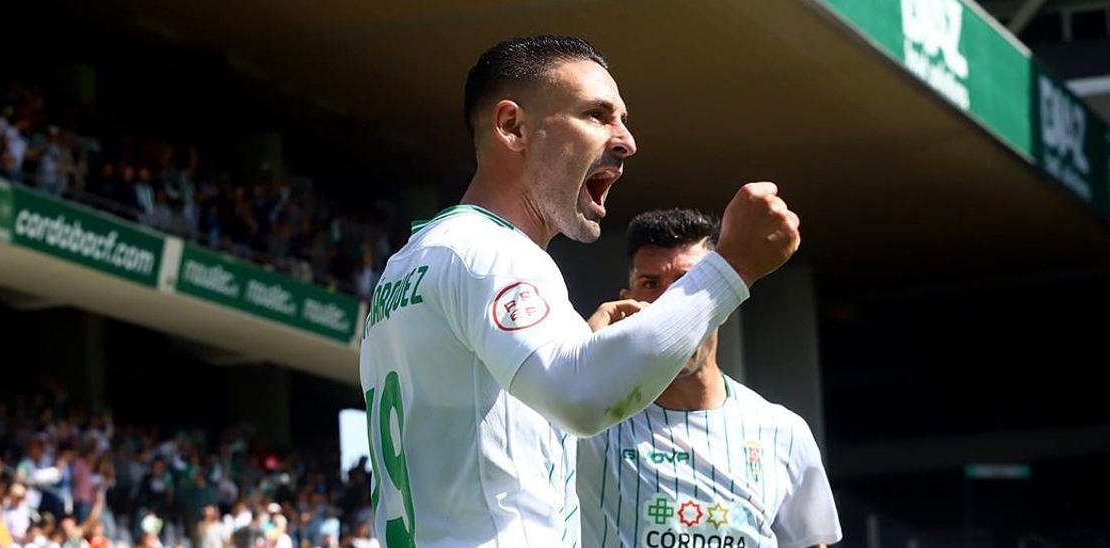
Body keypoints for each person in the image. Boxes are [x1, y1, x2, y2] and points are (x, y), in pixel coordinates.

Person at [359, 35, 801, 546]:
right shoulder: (492, 250)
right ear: (513, 127)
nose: (625, 140)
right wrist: (732, 266)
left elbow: (478, 435)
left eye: (623, 119)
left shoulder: (408, 264)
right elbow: (581, 396)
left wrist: (581, 342)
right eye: (597, 115)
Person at [578, 209, 841, 548]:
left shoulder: (783, 431)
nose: (669, 304)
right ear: (626, 301)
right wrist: (585, 353)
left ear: (721, 300)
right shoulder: (586, 422)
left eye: (688, 283)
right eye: (650, 284)